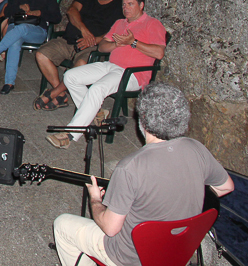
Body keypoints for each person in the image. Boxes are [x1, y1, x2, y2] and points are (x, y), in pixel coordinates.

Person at [52, 83, 234, 266]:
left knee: (62, 225)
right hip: (177, 251)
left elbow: (110, 228)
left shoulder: (130, 167)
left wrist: (95, 200)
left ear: (143, 119)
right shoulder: (196, 149)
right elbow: (226, 186)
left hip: (131, 257)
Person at [47, 0, 167, 149]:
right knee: (70, 76)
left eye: (130, 4)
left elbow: (159, 53)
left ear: (141, 5)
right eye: (123, 4)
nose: (125, 8)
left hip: (132, 74)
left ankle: (70, 134)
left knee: (97, 89)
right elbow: (102, 47)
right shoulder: (120, 23)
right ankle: (96, 113)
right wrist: (117, 44)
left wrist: (133, 42)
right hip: (111, 66)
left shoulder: (152, 24)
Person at [34, 0, 123, 111]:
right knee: (41, 54)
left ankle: (54, 93)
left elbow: (117, 32)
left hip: (91, 47)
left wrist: (94, 40)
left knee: (81, 65)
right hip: (68, 40)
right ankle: (61, 94)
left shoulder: (119, 6)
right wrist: (84, 30)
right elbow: (72, 10)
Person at [0, 0, 61, 95]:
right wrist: (19, 7)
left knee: (22, 28)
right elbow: (7, 11)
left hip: (36, 30)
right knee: (15, 41)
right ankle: (9, 83)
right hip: (16, 25)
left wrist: (40, 13)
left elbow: (57, 18)